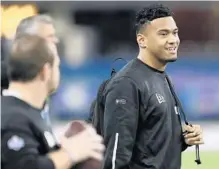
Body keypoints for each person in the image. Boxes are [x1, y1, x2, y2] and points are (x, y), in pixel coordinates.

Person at [97, 4, 204, 169]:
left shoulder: (162, 77)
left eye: (175, 33)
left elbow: (149, 144)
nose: (173, 40)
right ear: (142, 40)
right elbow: (115, 158)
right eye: (163, 34)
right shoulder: (126, 84)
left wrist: (183, 139)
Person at [1, 35, 105, 169]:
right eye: (57, 65)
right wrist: (70, 153)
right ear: (45, 71)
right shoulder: (13, 118)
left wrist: (60, 149)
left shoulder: (25, 111)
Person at [1, 14, 58, 93]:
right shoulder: (6, 78)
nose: (55, 41)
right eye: (50, 36)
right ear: (29, 40)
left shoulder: (49, 76)